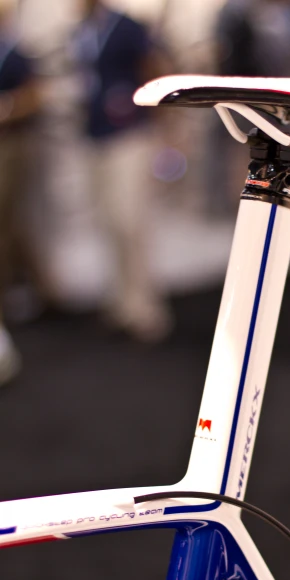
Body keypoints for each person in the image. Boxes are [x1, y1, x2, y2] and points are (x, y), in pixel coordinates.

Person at [71, 0, 172, 343]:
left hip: (129, 134)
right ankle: (121, 301)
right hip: (95, 135)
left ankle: (145, 307)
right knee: (109, 221)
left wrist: (160, 124)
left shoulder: (127, 26)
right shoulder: (82, 31)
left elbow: (154, 67)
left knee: (130, 219)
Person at [0, 0, 41, 386]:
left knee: (8, 223)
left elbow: (33, 95)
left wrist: (8, 108)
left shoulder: (16, 51)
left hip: (12, 143)